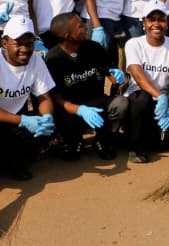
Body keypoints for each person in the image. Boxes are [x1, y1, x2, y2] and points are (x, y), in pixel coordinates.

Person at [0, 16, 56, 192]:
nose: (25, 49)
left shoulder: (36, 60)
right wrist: (22, 120)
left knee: (50, 121)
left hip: (15, 118)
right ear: (5, 43)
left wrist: (47, 119)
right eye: (19, 43)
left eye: (29, 43)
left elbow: (44, 97)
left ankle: (11, 160)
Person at [44, 13, 129, 161]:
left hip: (96, 101)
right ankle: (74, 141)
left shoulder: (93, 47)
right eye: (80, 26)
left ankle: (102, 139)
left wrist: (117, 75)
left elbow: (110, 75)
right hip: (71, 108)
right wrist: (80, 110)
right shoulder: (53, 59)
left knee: (121, 104)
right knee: (64, 121)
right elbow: (56, 98)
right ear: (67, 35)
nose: (85, 28)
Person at [123, 0, 169, 163]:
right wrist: (159, 95)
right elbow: (138, 75)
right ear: (144, 23)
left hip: (162, 104)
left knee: (162, 144)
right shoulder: (134, 44)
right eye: (152, 20)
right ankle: (134, 146)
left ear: (166, 23)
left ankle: (154, 133)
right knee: (142, 97)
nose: (156, 24)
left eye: (161, 19)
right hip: (138, 99)